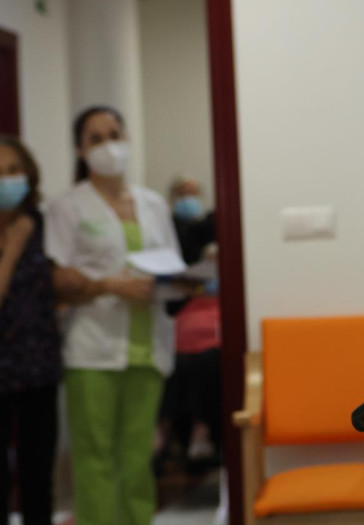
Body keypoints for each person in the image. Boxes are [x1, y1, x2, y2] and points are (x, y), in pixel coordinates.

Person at [45, 106, 182, 525]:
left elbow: (171, 266)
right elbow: (57, 279)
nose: (109, 146)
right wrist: (110, 285)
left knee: (138, 458)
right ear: (80, 150)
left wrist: (179, 283)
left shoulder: (154, 204)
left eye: (114, 134)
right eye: (96, 138)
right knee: (95, 460)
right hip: (92, 351)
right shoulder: (68, 207)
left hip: (148, 347)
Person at [0, 136, 63, 525]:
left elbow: (58, 281)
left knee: (38, 476)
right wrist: (13, 245)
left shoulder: (43, 223)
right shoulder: (23, 232)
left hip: (39, 365)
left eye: (12, 170)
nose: (7, 180)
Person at [158, 177, 221, 465]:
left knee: (207, 365)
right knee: (171, 366)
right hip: (181, 332)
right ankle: (161, 433)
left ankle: (201, 433)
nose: (187, 198)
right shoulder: (173, 239)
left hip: (214, 334)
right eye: (180, 193)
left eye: (192, 193)